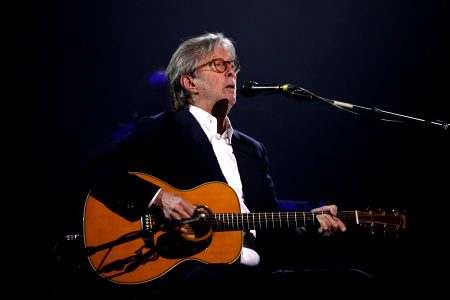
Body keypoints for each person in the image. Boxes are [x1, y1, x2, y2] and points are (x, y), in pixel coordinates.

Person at [77, 32, 373, 299]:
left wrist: (305, 225)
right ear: (189, 82)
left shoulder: (252, 150)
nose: (231, 70)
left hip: (255, 277)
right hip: (199, 277)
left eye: (234, 65)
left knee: (355, 282)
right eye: (219, 65)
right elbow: (95, 167)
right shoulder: (166, 129)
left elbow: (267, 222)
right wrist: (158, 198)